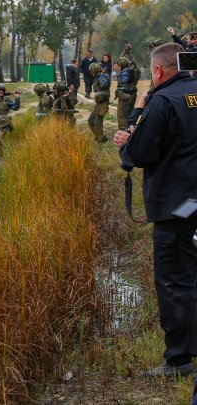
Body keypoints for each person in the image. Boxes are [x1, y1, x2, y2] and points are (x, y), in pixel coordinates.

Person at [113, 42, 197, 379]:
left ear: (158, 71)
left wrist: (126, 142)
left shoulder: (163, 100)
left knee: (175, 281)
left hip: (176, 206)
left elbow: (140, 153)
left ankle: (178, 361)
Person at [87, 62, 111, 143]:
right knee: (90, 120)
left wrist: (101, 76)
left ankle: (100, 140)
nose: (91, 73)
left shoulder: (103, 77)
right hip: (98, 103)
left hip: (103, 103)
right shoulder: (97, 77)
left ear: (95, 70)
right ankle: (100, 137)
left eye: (91, 71)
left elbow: (104, 85)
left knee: (97, 123)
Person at [114, 56, 138, 131]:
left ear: (120, 66)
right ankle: (131, 134)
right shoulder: (133, 71)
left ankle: (124, 137)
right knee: (130, 116)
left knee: (121, 117)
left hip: (124, 97)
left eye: (118, 65)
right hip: (132, 96)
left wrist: (118, 72)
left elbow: (122, 81)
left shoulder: (125, 73)